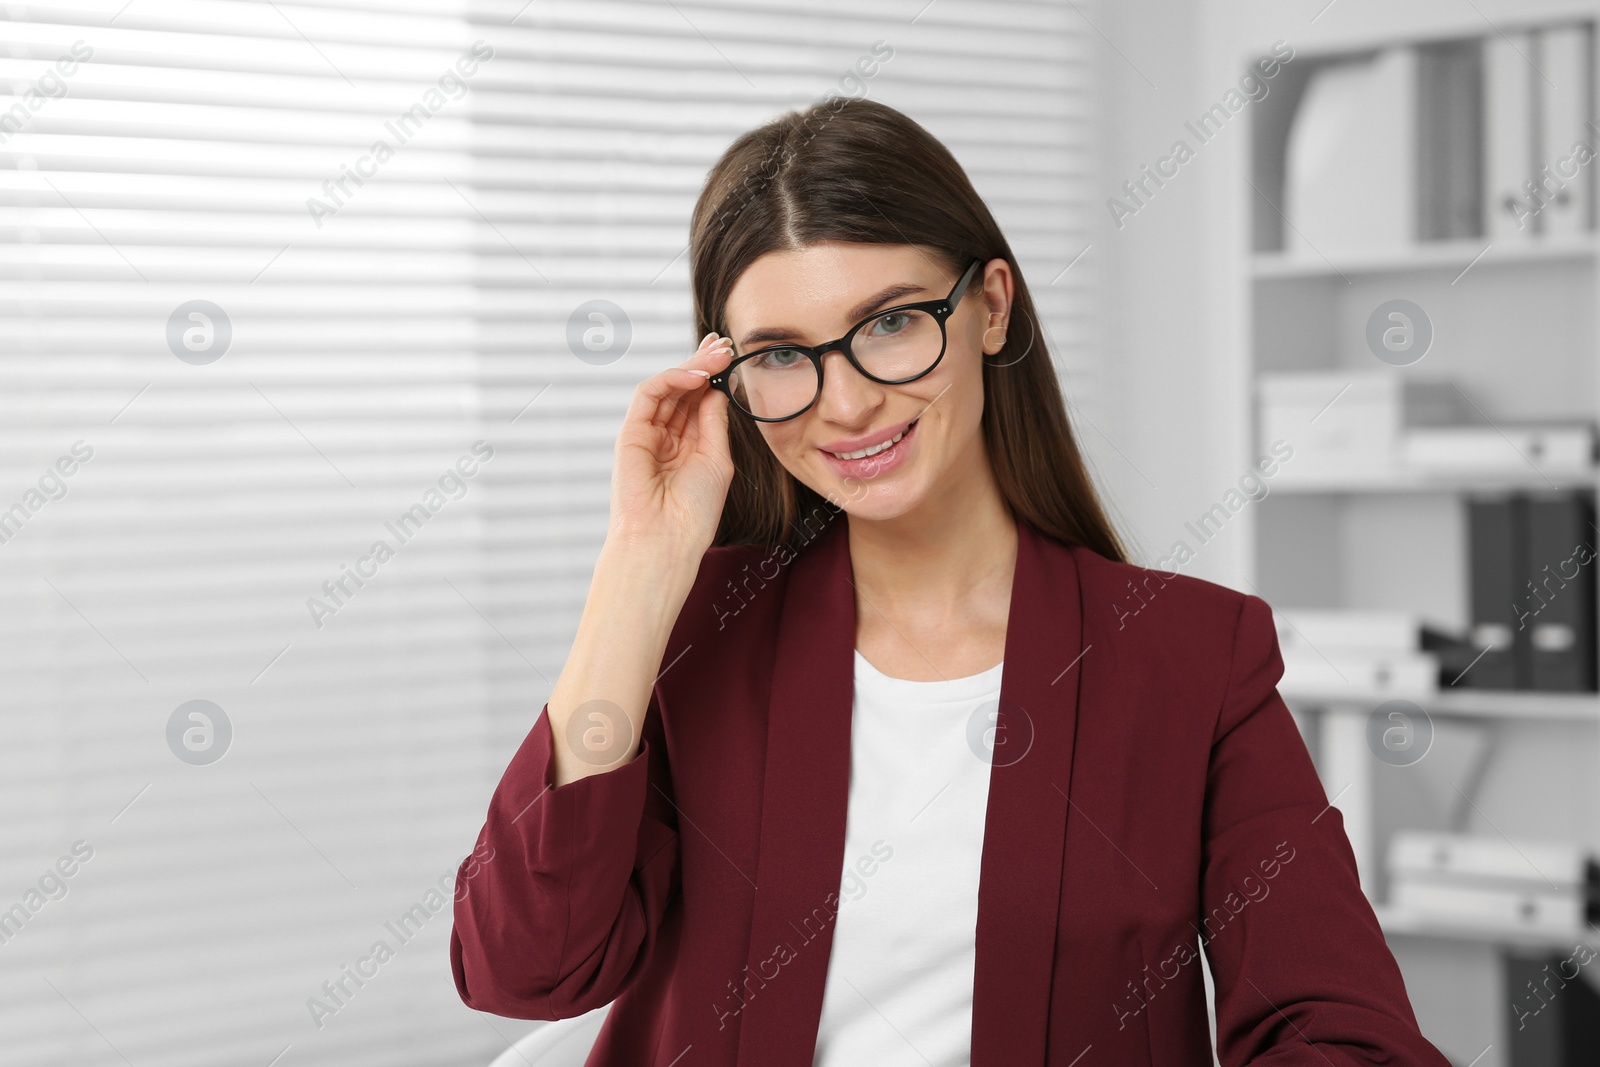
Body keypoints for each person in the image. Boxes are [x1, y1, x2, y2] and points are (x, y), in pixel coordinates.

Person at [450, 97, 1450, 1067]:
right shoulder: (694, 632)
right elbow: (522, 966)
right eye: (783, 354)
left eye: (888, 324)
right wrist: (641, 560)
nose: (843, 404)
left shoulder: (1189, 659)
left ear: (991, 306)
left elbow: (1354, 1040)